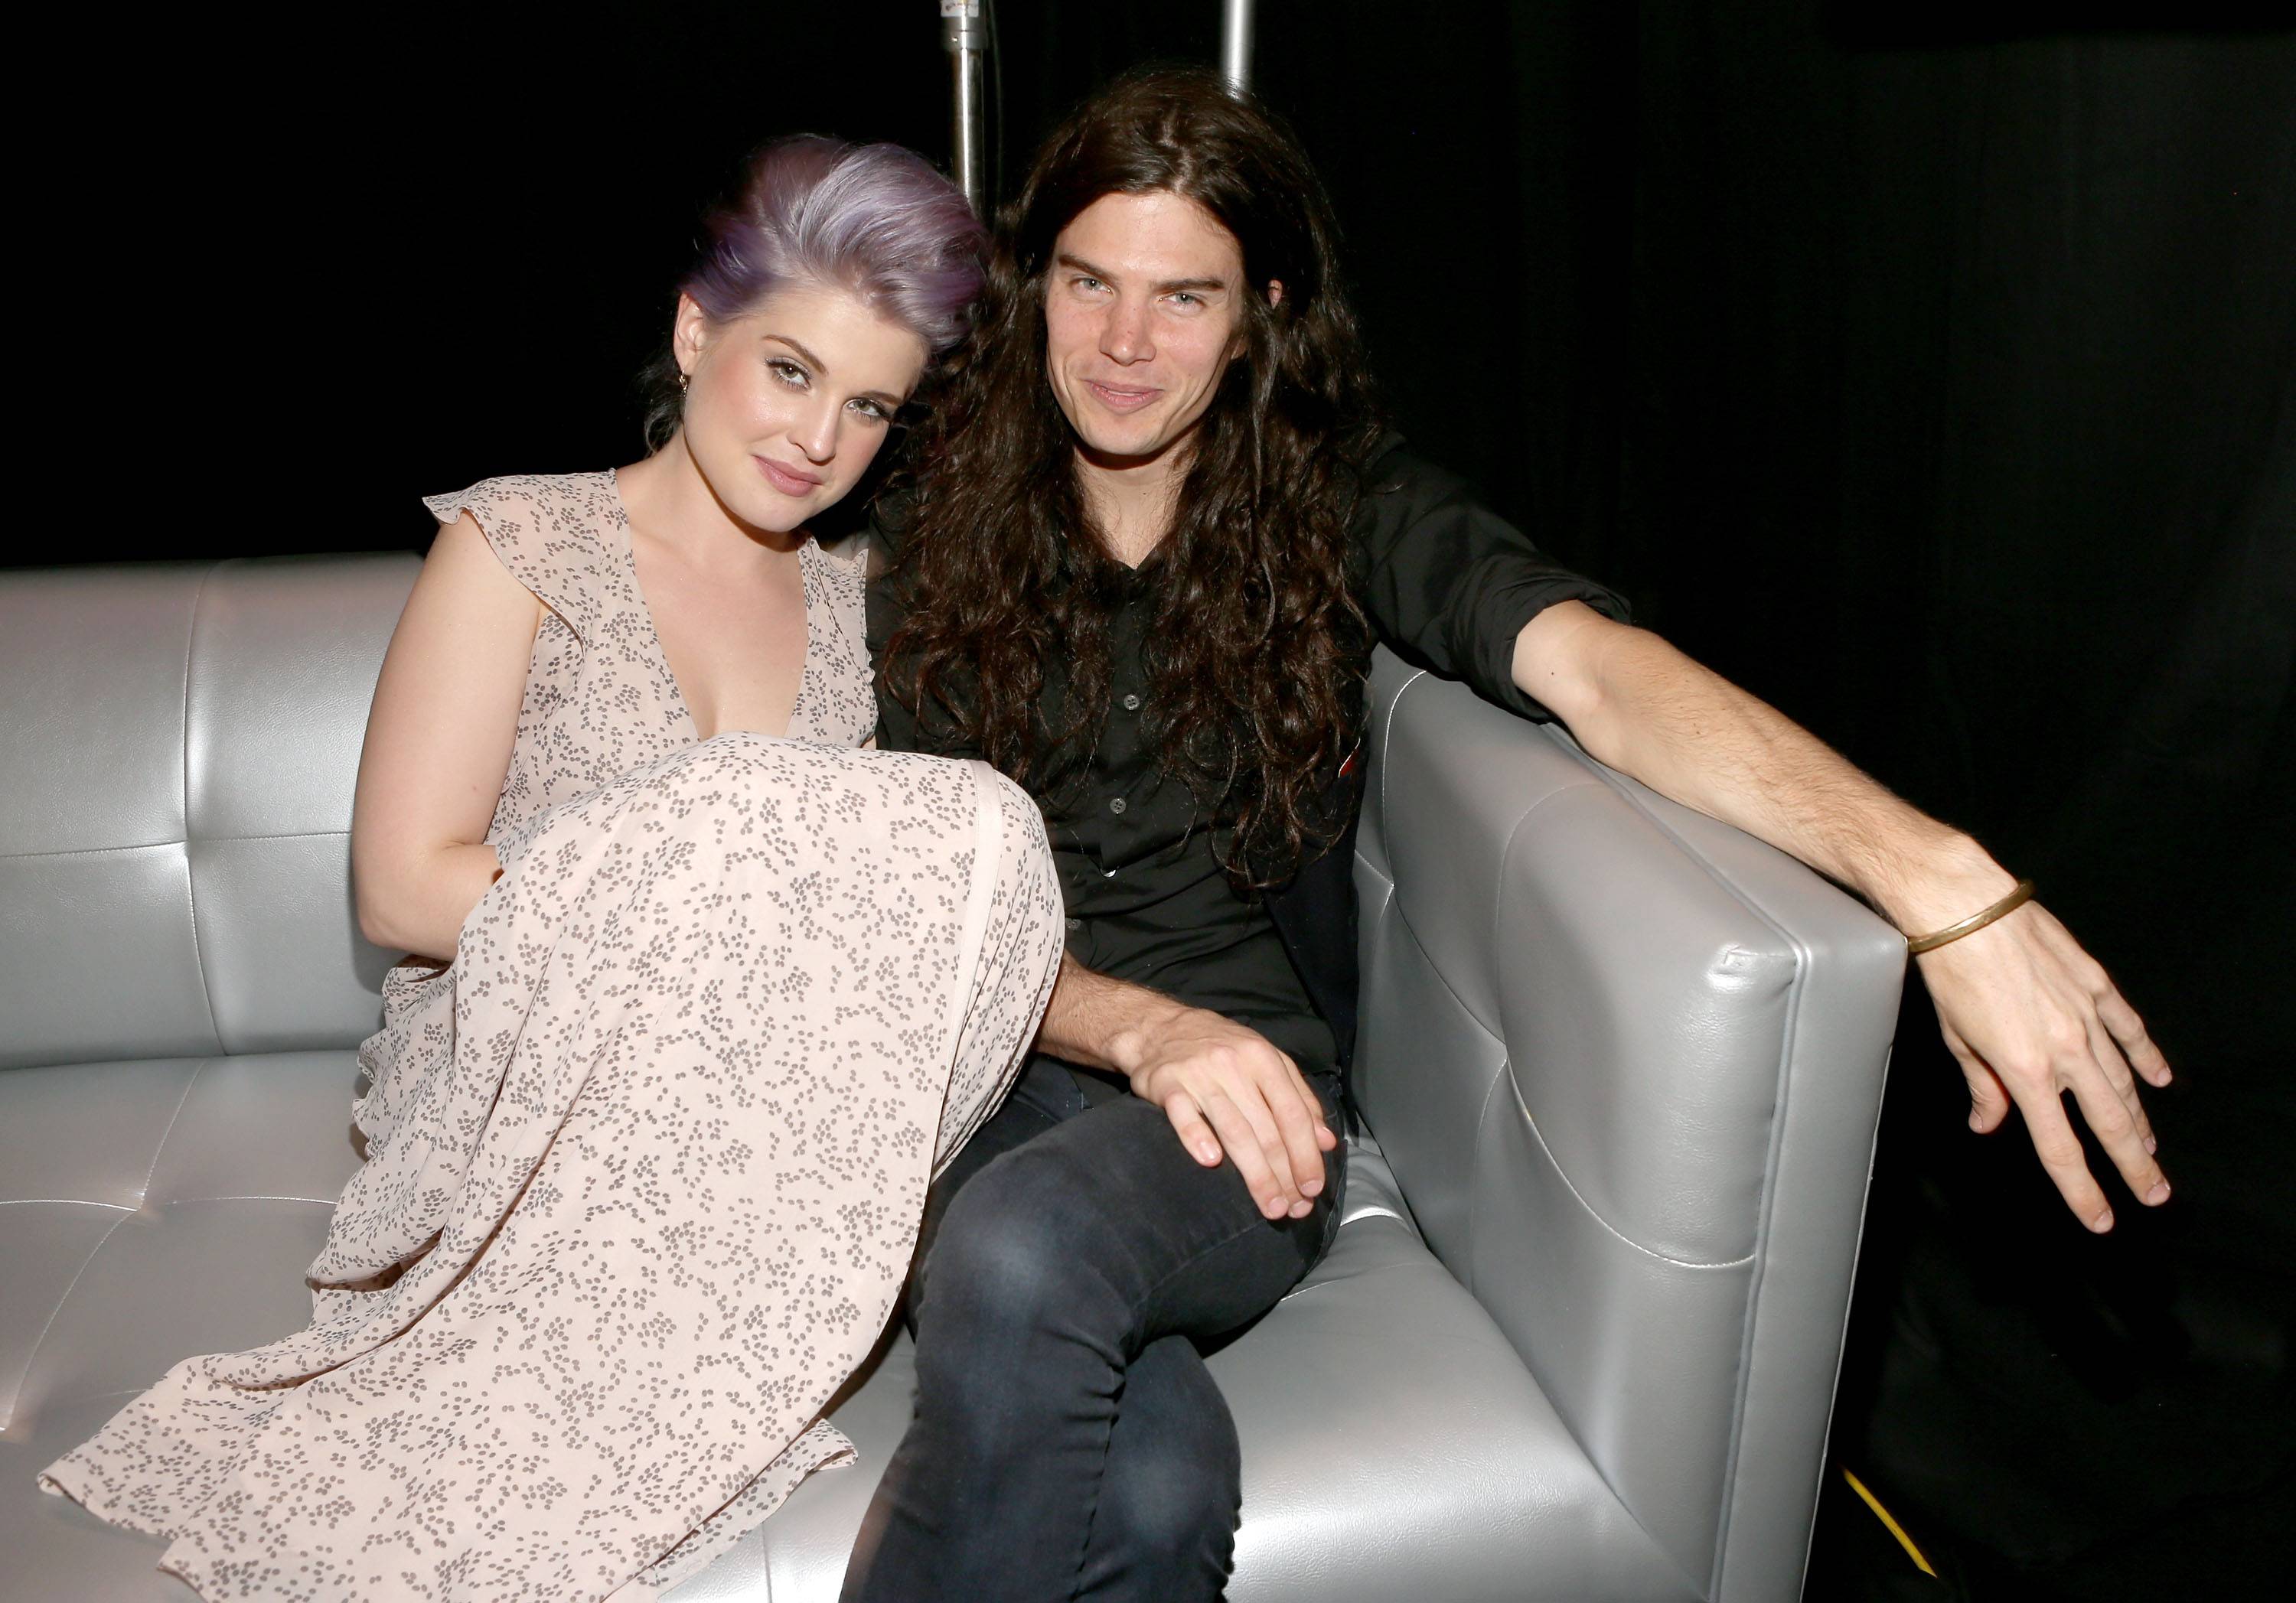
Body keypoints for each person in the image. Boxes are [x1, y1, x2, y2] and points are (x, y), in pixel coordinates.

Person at [844, 68, 2174, 1602]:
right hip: (988, 1068)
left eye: (1183, 297)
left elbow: (1601, 676)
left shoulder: (1340, 507)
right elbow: (900, 904)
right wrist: (1137, 1029)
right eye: (1089, 282)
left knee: (1022, 1251)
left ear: (1261, 314)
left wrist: (1934, 876)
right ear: (1035, 286)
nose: (1125, 344)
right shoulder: (931, 525)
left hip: (1242, 1114)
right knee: (1151, 1491)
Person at [38, 137, 1065, 1601]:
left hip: (740, 1100)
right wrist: (701, 872)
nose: (817, 439)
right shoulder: (520, 540)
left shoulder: (857, 607)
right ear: (695, 333)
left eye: (868, 407)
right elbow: (402, 887)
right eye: (789, 371)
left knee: (973, 828)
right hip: (512, 1069)